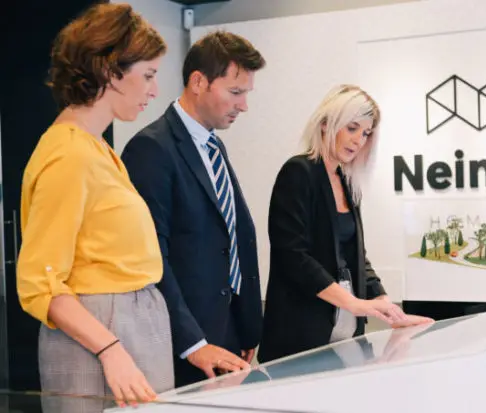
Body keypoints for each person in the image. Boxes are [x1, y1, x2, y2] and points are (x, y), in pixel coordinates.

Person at [15, 4, 172, 412]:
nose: (155, 90)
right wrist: (110, 348)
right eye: (148, 75)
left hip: (128, 323)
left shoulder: (96, 148)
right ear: (111, 71)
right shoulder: (68, 154)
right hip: (99, 334)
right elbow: (39, 283)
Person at [120, 31, 266, 388]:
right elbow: (152, 257)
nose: (244, 106)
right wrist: (193, 343)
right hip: (186, 344)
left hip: (228, 332)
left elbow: (231, 237)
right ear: (198, 82)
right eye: (236, 92)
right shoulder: (151, 149)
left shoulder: (213, 146)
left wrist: (246, 325)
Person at [257, 85, 431, 363]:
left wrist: (387, 307)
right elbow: (293, 256)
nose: (358, 140)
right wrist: (353, 303)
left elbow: (356, 257)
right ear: (326, 124)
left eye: (365, 133)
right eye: (352, 128)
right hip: (301, 336)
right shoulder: (299, 172)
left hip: (346, 336)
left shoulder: (348, 182)